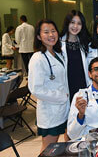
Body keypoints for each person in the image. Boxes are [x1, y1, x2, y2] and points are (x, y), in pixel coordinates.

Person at [28, 19, 69, 153]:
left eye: (53, 31)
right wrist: (61, 96)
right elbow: (35, 89)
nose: (51, 35)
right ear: (39, 36)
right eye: (46, 32)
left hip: (62, 108)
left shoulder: (57, 53)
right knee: (48, 150)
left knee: (57, 149)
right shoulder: (37, 58)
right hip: (50, 111)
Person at [60, 10, 91, 102]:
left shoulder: (86, 43)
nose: (75, 26)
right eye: (72, 22)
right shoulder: (58, 44)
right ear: (67, 23)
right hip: (66, 85)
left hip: (83, 83)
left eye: (79, 23)